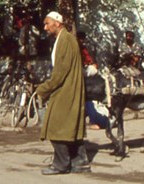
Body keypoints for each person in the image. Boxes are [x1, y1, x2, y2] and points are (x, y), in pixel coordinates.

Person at [34, 11, 89, 175]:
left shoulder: (66, 39)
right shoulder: (65, 39)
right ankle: (80, 161)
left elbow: (60, 71)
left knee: (55, 125)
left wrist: (43, 88)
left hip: (66, 88)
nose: (45, 27)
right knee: (70, 125)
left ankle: (61, 164)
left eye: (47, 23)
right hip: (67, 86)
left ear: (57, 23)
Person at [77, 31, 108, 130]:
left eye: (83, 39)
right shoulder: (76, 49)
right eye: (80, 39)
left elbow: (92, 62)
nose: (82, 41)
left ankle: (100, 120)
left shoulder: (86, 49)